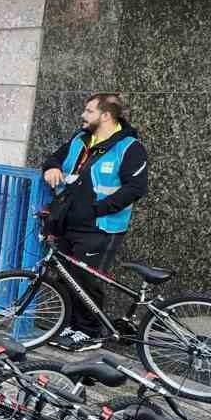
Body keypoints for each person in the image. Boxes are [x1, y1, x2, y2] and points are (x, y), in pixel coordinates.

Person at [40, 93, 149, 352]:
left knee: (87, 279)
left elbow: (136, 187)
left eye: (88, 111)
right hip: (68, 222)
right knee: (67, 276)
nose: (83, 115)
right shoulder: (81, 139)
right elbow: (53, 158)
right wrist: (51, 168)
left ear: (106, 115)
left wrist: (96, 210)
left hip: (102, 226)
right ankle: (72, 326)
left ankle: (89, 332)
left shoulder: (130, 147)